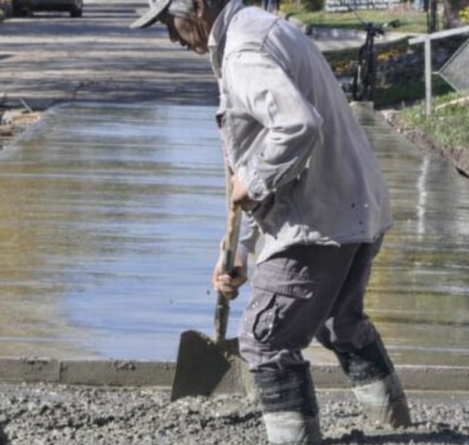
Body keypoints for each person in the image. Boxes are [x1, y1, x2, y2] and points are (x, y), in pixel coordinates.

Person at [131, 0, 411, 443]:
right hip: (356, 206)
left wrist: (255, 180)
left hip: (319, 221)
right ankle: (401, 427)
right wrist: (242, 249)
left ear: (199, 6)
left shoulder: (243, 52)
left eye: (170, 22)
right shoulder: (263, 28)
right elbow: (277, 143)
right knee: (341, 322)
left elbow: (297, 126)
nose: (170, 36)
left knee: (265, 339)